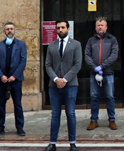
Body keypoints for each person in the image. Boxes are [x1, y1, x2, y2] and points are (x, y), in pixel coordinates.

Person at [45, 20, 81, 151]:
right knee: (55, 114)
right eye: (58, 28)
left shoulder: (76, 45)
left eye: (63, 27)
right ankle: (52, 143)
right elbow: (47, 65)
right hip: (54, 86)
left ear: (68, 28)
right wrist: (56, 79)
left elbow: (77, 65)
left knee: (70, 113)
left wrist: (65, 79)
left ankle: (72, 143)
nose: (60, 30)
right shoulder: (51, 46)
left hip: (70, 85)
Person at [0, 22, 27, 137]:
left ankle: (20, 127)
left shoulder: (21, 44)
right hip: (2, 80)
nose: (9, 31)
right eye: (7, 29)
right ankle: (0, 127)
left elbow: (23, 61)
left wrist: (14, 76)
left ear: (15, 30)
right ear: (4, 31)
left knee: (17, 104)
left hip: (15, 80)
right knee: (1, 104)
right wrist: (1, 75)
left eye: (11, 29)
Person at [83, 18, 119, 130]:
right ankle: (94, 120)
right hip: (94, 73)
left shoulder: (112, 39)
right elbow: (87, 55)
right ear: (95, 27)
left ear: (106, 27)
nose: (100, 27)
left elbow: (114, 55)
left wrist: (102, 67)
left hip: (108, 73)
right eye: (98, 25)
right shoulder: (91, 40)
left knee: (110, 96)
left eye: (102, 25)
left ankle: (112, 120)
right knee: (94, 97)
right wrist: (95, 68)